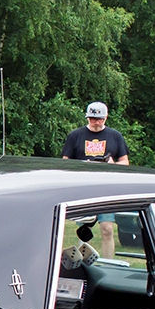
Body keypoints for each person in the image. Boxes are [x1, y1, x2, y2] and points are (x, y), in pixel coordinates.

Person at [62, 101, 130, 255]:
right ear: (87, 118)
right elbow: (65, 163)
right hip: (83, 188)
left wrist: (112, 165)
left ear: (106, 118)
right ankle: (79, 265)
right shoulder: (75, 135)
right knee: (83, 231)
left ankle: (108, 264)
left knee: (107, 229)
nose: (96, 122)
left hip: (107, 189)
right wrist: (81, 165)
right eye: (92, 119)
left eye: (99, 119)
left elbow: (125, 162)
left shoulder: (115, 136)